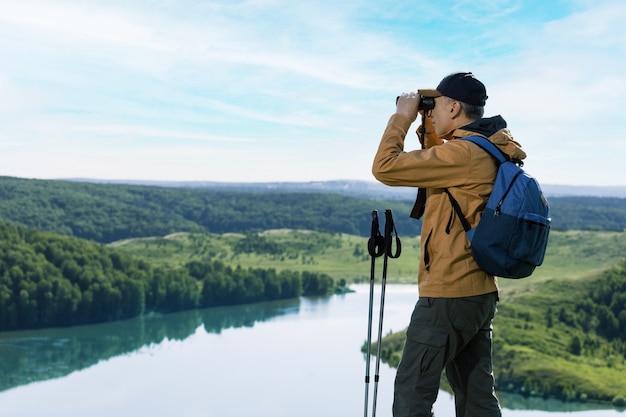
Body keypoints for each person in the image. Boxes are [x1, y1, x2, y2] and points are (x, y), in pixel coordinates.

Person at [372, 72, 526, 417]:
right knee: (476, 398)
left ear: (455, 107)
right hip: (478, 291)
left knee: (412, 395)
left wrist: (402, 117)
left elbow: (385, 168)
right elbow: (438, 170)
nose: (432, 110)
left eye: (436, 105)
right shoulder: (484, 148)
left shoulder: (464, 155)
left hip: (448, 294)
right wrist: (428, 126)